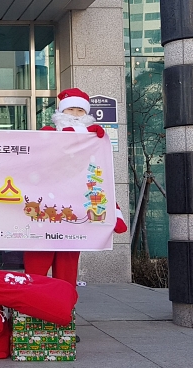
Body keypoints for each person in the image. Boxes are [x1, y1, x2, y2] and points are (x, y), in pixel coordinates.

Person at [24, 87, 128, 287]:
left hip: (74, 213)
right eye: (70, 109)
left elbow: (100, 176)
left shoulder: (93, 142)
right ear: (61, 112)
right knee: (37, 260)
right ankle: (32, 300)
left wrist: (111, 210)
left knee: (68, 264)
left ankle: (64, 300)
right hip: (45, 209)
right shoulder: (48, 135)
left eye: (80, 111)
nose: (74, 114)